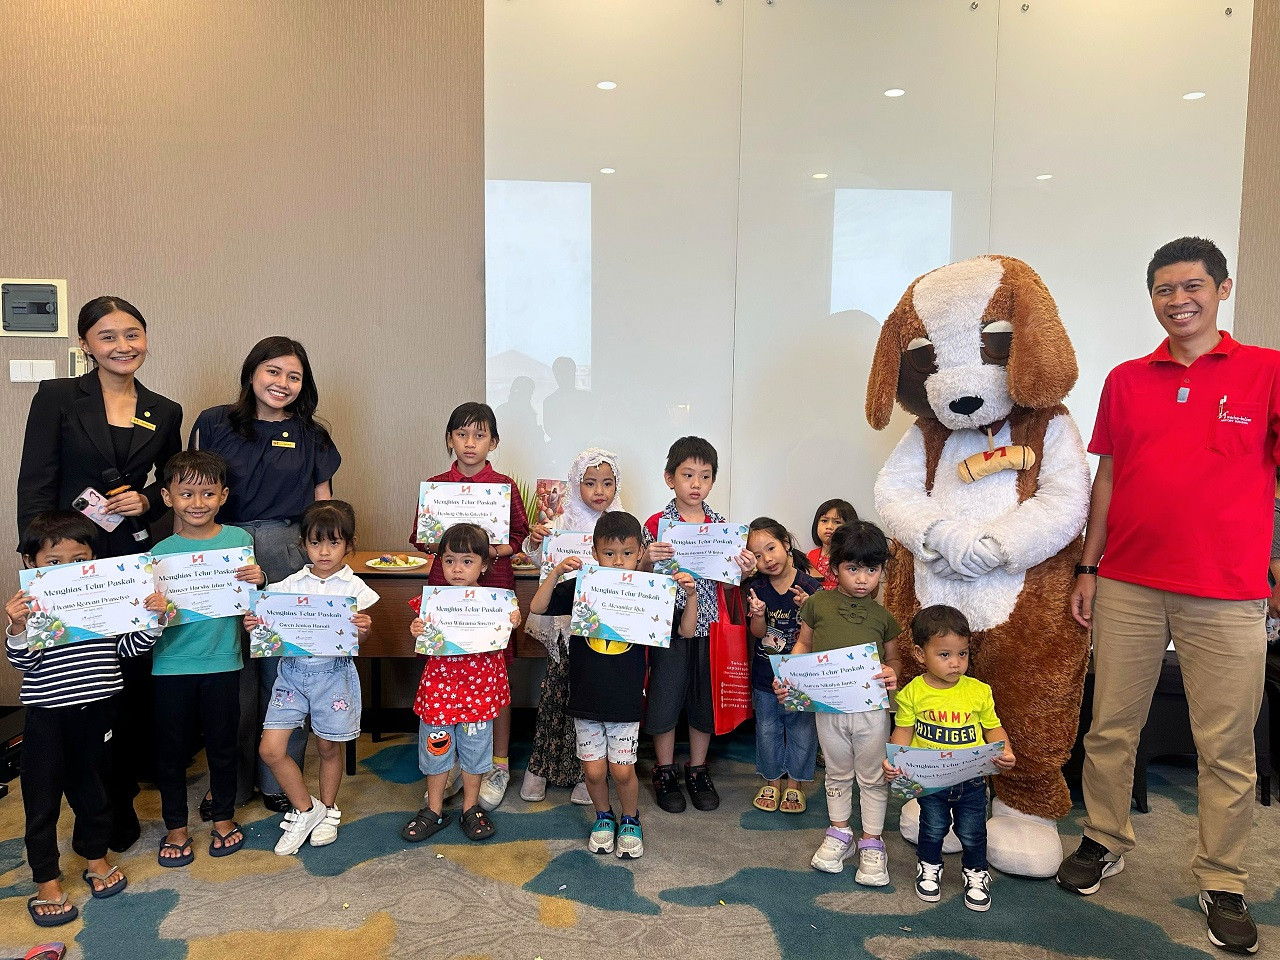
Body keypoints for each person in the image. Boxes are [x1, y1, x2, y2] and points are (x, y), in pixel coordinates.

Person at [1057, 237, 1280, 955]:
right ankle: (1104, 838)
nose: (1178, 299)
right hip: (1127, 582)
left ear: (1222, 288)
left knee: (1226, 744)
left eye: (1192, 286)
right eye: (1163, 288)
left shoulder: (1266, 373)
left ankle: (1222, 878)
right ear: (1151, 296)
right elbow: (1109, 478)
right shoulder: (1126, 379)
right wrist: (1088, 567)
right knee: (1112, 726)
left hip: (1227, 590)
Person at [16, 295, 182, 854]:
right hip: (70, 560)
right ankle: (81, 802)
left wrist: (149, 506)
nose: (122, 345)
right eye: (107, 336)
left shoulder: (165, 408)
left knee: (127, 677)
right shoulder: (59, 396)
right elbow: (36, 477)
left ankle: (120, 799)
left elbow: (172, 486)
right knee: (69, 674)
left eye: (132, 333)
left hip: (129, 558)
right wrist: (36, 561)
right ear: (86, 344)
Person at [190, 336, 341, 813]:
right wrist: (182, 559)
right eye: (273, 371)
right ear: (252, 372)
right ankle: (230, 783)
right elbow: (190, 493)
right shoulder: (214, 422)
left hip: (288, 551)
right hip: (221, 550)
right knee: (230, 667)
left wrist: (328, 570)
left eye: (293, 376)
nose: (282, 383)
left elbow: (324, 505)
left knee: (286, 670)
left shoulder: (311, 434)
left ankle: (279, 778)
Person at [5, 512, 161, 927]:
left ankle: (96, 857)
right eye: (55, 561)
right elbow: (22, 659)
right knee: (41, 801)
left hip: (99, 713)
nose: (68, 569)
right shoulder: (31, 609)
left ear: (94, 560)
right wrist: (18, 626)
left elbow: (127, 650)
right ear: (31, 564)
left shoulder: (105, 600)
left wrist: (154, 619)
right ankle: (46, 880)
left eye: (80, 559)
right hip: (47, 717)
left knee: (95, 791)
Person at [530, 511, 697, 858]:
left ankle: (631, 818)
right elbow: (537, 605)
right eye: (609, 553)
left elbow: (684, 631)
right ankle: (603, 817)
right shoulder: (581, 587)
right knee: (593, 770)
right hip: (586, 699)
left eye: (626, 554)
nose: (618, 561)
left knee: (622, 771)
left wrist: (691, 596)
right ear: (594, 552)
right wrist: (557, 571)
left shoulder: (649, 591)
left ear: (640, 554)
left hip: (625, 702)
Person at [409, 402, 530, 812]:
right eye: (462, 435)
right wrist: (446, 547)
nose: (470, 443)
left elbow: (520, 537)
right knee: (448, 674)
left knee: (493, 679)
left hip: (492, 589)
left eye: (480, 436)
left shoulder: (505, 486)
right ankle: (455, 764)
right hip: (446, 593)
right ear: (450, 439)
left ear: (493, 442)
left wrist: (488, 551)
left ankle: (497, 764)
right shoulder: (436, 485)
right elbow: (421, 540)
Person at [145, 451, 264, 867]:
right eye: (186, 493)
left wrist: (259, 581)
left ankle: (224, 817)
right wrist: (150, 606)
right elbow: (145, 620)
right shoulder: (158, 553)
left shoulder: (239, 542)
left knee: (223, 745)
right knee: (172, 750)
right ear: (167, 496)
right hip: (171, 665)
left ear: (224, 495)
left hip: (223, 660)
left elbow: (252, 604)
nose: (197, 502)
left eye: (208, 493)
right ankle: (176, 827)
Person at [246, 500, 378, 854]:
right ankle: (307, 808)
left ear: (348, 546)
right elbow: (268, 622)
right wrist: (256, 623)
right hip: (291, 675)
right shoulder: (288, 584)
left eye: (334, 543)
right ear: (303, 544)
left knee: (327, 746)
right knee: (271, 749)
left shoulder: (355, 588)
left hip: (333, 675)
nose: (324, 551)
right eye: (316, 542)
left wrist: (364, 628)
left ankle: (329, 808)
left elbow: (360, 637)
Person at [776, 520, 902, 885]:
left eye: (871, 569)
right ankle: (840, 833)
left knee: (874, 776)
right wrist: (791, 674)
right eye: (852, 568)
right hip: (828, 709)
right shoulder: (817, 604)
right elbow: (803, 645)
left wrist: (892, 673)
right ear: (834, 568)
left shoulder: (884, 616)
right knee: (836, 772)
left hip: (871, 713)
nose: (862, 578)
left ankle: (873, 842)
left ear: (881, 571)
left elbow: (894, 661)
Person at [642, 436, 755, 813]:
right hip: (666, 626)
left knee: (704, 698)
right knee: (665, 696)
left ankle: (698, 769)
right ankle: (664, 769)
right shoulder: (657, 524)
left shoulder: (721, 526)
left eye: (704, 477)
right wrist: (646, 558)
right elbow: (639, 577)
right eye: (687, 475)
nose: (695, 484)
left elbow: (725, 582)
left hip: (711, 626)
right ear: (668, 478)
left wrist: (742, 570)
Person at [884, 605, 1016, 912]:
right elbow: (903, 730)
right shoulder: (913, 692)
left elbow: (993, 727)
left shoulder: (979, 691)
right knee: (932, 827)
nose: (956, 663)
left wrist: (1005, 750)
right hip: (932, 780)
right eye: (945, 655)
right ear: (920, 654)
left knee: (973, 830)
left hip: (971, 779)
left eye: (963, 654)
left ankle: (975, 871)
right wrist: (895, 760)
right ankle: (929, 865)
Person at [401, 523, 521, 843]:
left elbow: (504, 633)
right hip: (440, 690)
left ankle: (470, 808)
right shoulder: (434, 602)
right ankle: (435, 809)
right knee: (436, 750)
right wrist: (417, 630)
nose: (457, 568)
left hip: (479, 690)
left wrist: (511, 620)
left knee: (475, 752)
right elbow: (423, 636)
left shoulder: (496, 602)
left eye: (467, 561)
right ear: (440, 563)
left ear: (484, 566)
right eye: (450, 560)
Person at [520, 447, 624, 805]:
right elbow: (536, 559)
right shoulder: (562, 523)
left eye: (608, 483)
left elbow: (635, 570)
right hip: (566, 628)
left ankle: (587, 775)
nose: (600, 491)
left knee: (592, 701)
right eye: (591, 483)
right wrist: (536, 541)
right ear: (575, 484)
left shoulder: (622, 523)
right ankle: (540, 767)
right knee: (555, 696)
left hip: (605, 631)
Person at [744, 517, 820, 813]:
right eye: (758, 556)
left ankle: (796, 783)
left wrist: (808, 609)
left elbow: (819, 635)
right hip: (765, 674)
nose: (767, 559)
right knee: (767, 727)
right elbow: (758, 634)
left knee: (801, 728)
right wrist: (758, 614)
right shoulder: (757, 588)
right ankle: (772, 780)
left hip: (801, 677)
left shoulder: (810, 587)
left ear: (786, 544)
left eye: (771, 548)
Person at [807, 499, 858, 590]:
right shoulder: (807, 558)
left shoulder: (856, 558)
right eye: (824, 520)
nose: (829, 526)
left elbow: (871, 592)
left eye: (837, 522)